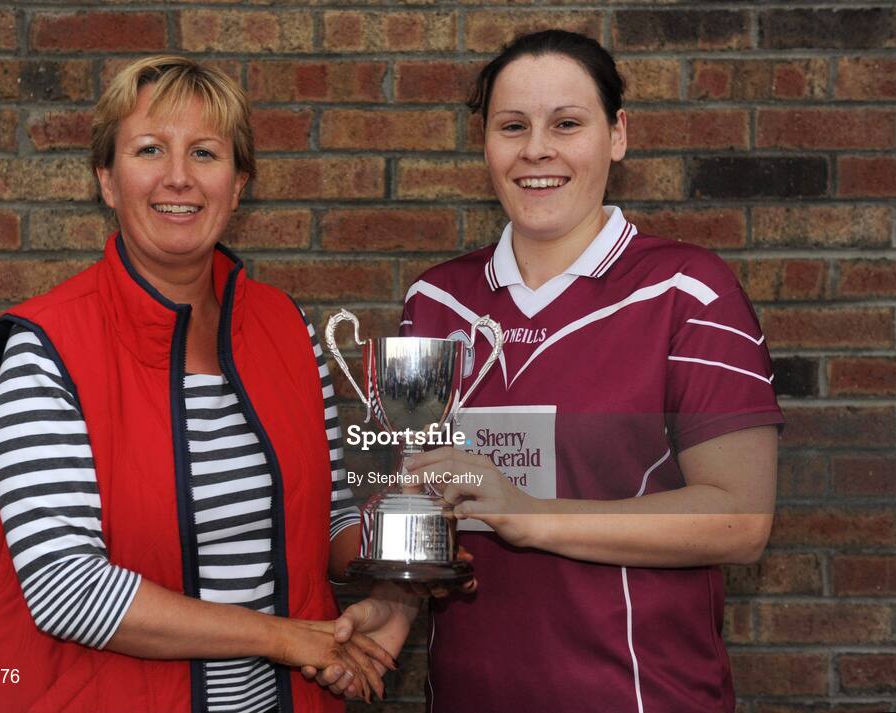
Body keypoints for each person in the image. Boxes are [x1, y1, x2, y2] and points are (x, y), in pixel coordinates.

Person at [333, 29, 784, 713]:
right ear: (485, 142)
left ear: (617, 135)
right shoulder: (434, 300)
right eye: (512, 126)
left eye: (566, 124)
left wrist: (531, 514)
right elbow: (423, 502)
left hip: (640, 696)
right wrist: (395, 607)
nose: (536, 150)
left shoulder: (689, 290)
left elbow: (740, 518)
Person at [0, 55, 396, 713]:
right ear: (106, 178)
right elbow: (67, 589)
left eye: (207, 153)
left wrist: (414, 543)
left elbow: (326, 522)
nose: (179, 177)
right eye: (150, 149)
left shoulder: (287, 329)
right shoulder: (44, 349)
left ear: (239, 183)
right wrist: (283, 639)